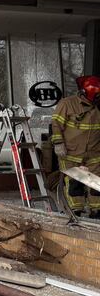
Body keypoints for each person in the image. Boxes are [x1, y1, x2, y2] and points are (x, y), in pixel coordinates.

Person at [52, 75, 100, 218]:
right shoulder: (67, 104)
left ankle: (96, 211)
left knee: (96, 184)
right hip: (71, 154)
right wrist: (58, 143)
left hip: (94, 155)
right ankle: (75, 212)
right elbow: (56, 124)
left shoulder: (96, 109)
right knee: (74, 185)